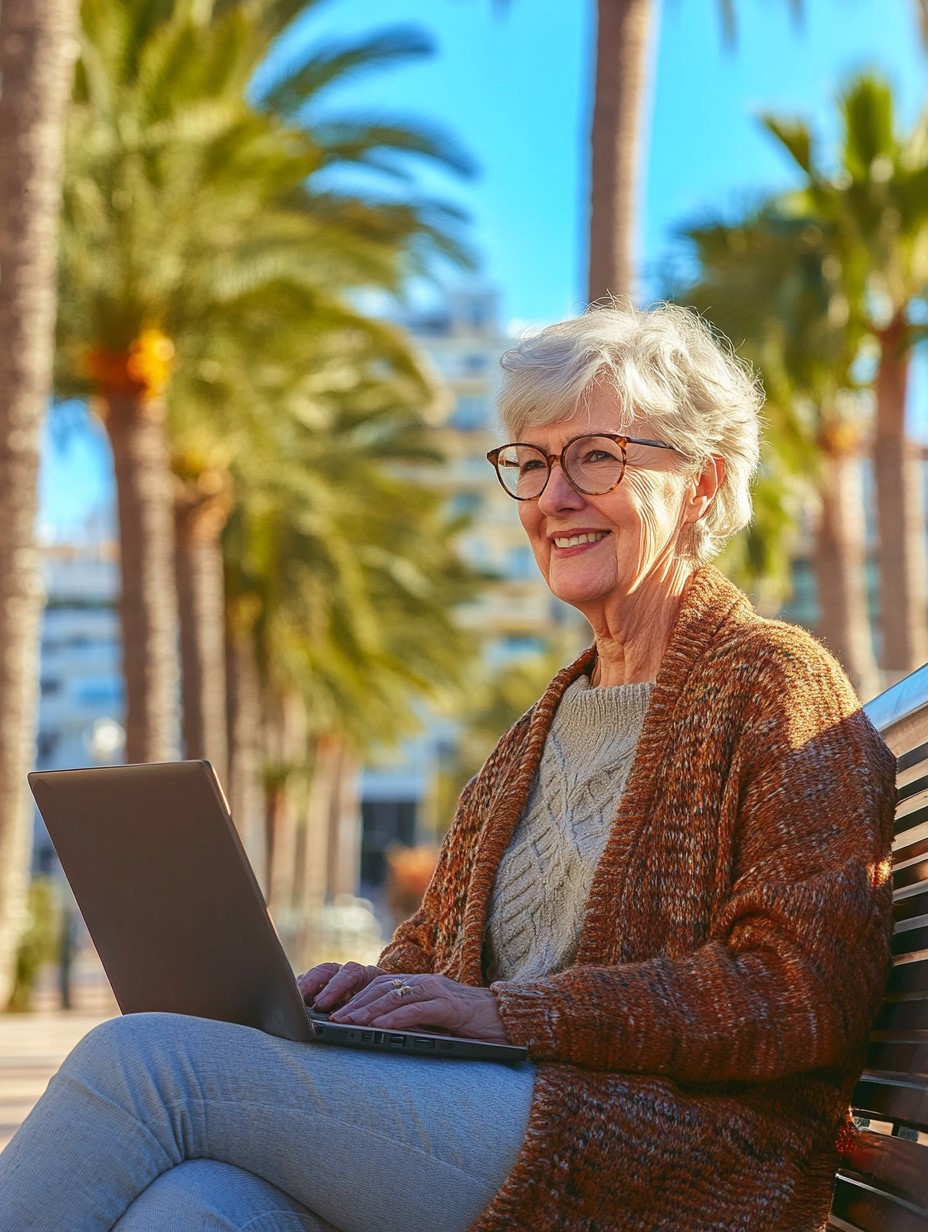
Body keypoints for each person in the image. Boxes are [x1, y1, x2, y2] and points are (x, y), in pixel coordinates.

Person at [0, 300, 895, 1232]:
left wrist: (520, 1018)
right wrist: (364, 995)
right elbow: (434, 963)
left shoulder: (775, 684)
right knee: (196, 1208)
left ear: (703, 483)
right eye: (535, 463)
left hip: (668, 1164)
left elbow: (799, 990)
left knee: (145, 1068)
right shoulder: (536, 736)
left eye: (597, 456)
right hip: (510, 1124)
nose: (554, 498)